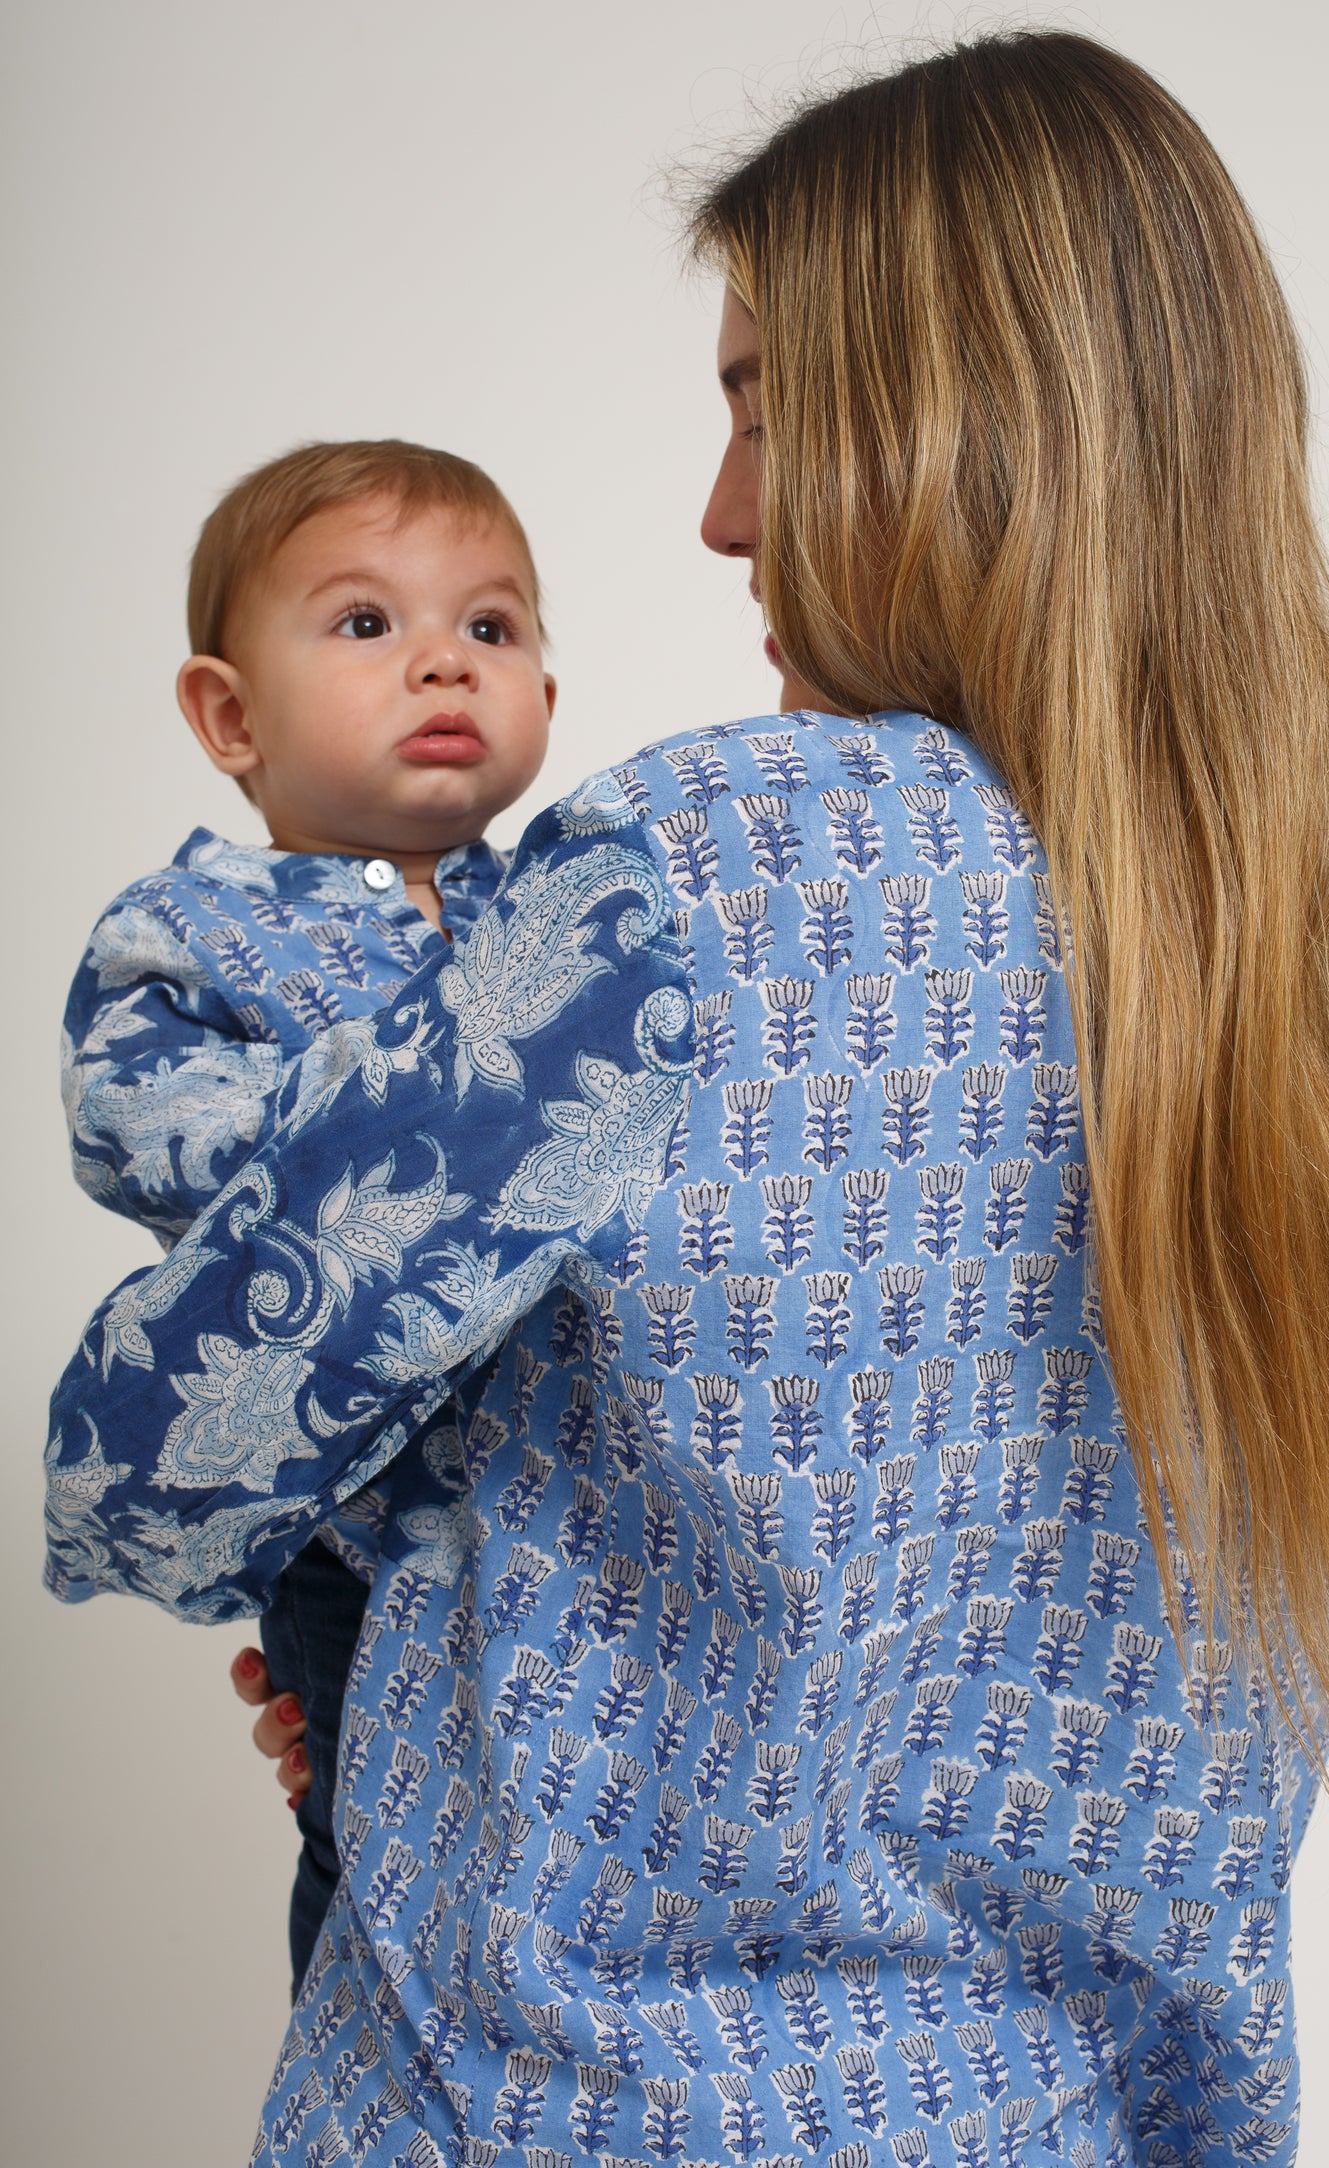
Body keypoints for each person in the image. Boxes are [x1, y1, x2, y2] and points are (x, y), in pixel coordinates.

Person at [43, 30, 1329, 2165]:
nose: (718, 516)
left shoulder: (699, 875)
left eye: (766, 408)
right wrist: (472, 1620)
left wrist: (407, 1585)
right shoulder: (1289, 962)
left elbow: (147, 1467)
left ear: (956, 422)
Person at [59, 437, 555, 1995]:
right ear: (229, 716)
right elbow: (144, 1128)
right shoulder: (195, 932)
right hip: (359, 1531)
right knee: (378, 1863)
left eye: (491, 628)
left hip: (563, 1521)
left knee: (558, 1883)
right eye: (365, 625)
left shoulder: (567, 911)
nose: (441, 665)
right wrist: (395, 1118)